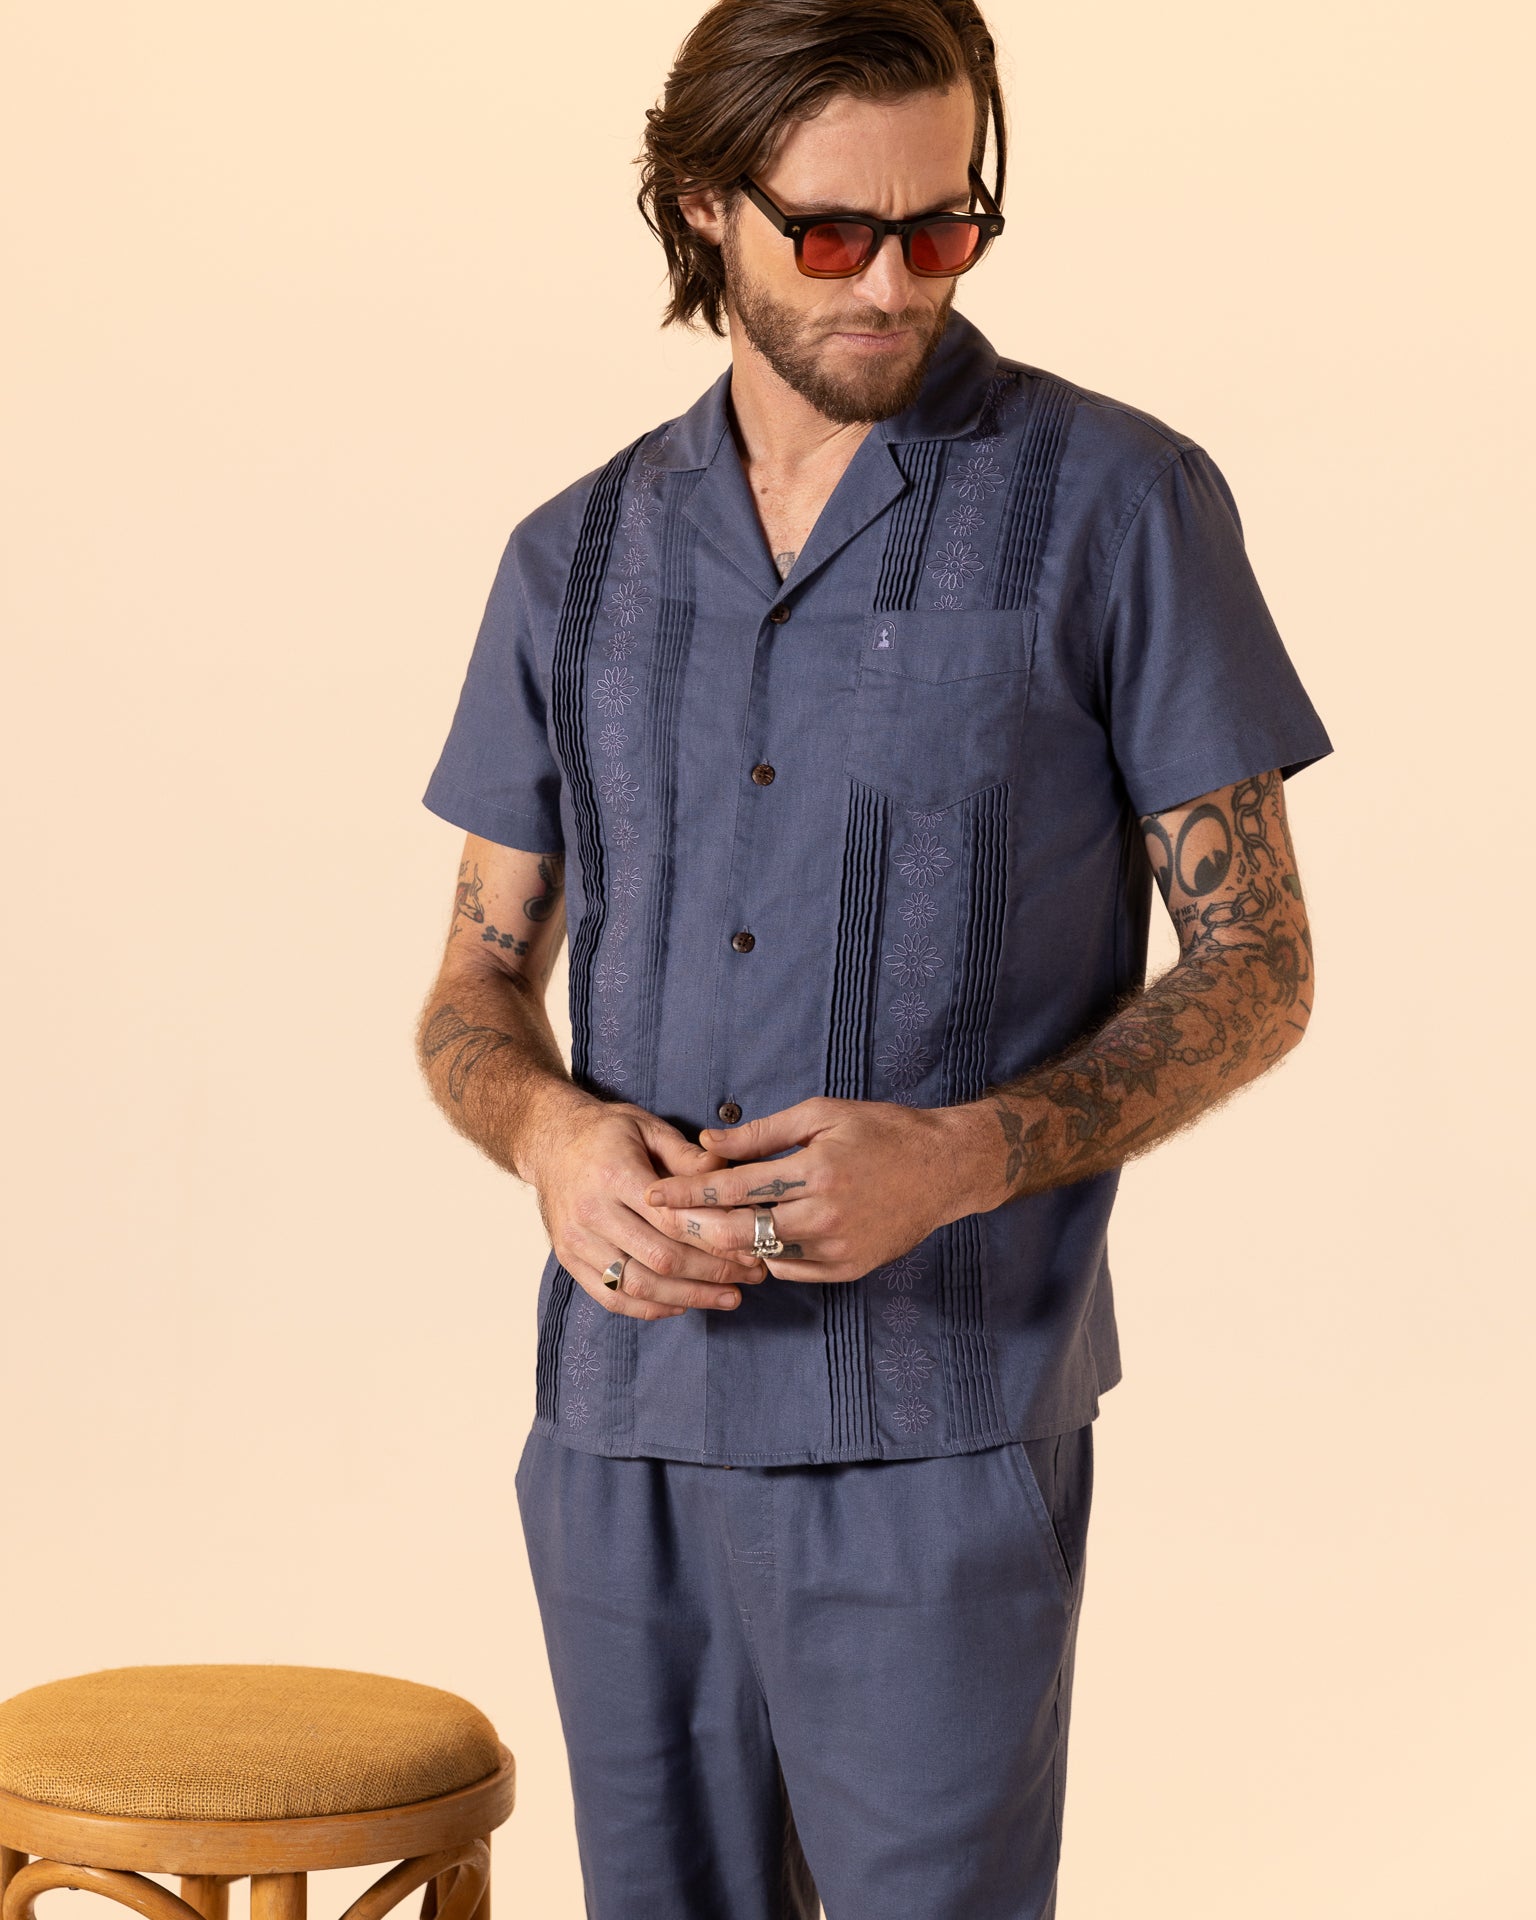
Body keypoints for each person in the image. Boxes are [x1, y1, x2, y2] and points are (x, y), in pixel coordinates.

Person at [414, 2, 1332, 1913]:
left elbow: (1259, 962)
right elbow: (473, 988)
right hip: (621, 1428)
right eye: (836, 234)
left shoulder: (1119, 506)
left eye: (947, 229)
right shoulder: (571, 559)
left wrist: (966, 1157)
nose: (897, 282)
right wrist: (550, 1143)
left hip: (938, 1423)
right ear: (701, 212)